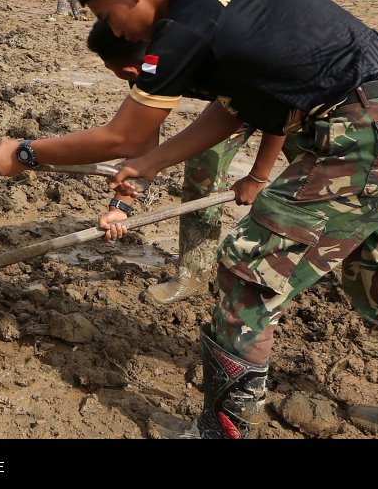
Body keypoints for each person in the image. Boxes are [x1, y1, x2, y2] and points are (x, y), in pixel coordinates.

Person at [0, 0, 378, 439]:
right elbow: (234, 107)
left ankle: (222, 432)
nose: (115, 30)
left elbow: (124, 134)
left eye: (110, 18)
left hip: (366, 141)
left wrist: (27, 153)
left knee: (246, 271)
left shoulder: (182, 27)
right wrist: (152, 163)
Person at [86, 19, 286, 304]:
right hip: (234, 103)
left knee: (316, 178)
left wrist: (257, 176)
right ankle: (194, 273)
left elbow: (277, 110)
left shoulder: (208, 49)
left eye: (111, 68)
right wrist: (121, 206)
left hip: (296, 100)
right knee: (203, 162)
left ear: (128, 67)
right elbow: (143, 141)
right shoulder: (147, 71)